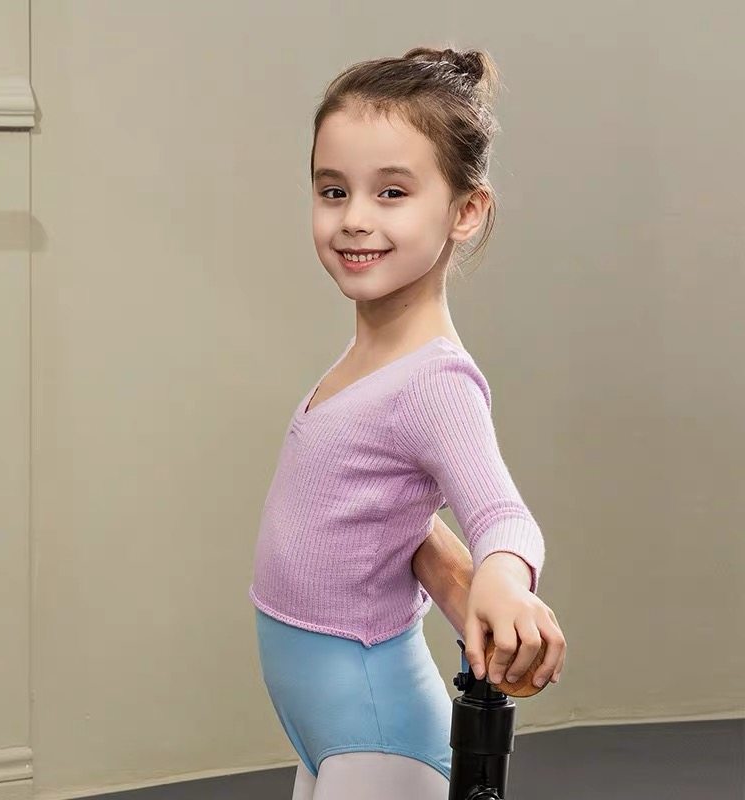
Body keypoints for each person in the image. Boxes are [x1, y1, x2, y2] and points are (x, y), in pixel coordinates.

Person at [248, 44, 567, 800]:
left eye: (392, 193)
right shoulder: (367, 360)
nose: (354, 219)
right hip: (326, 721)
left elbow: (502, 514)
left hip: (376, 727)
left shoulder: (435, 382)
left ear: (465, 212)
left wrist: (503, 581)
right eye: (333, 191)